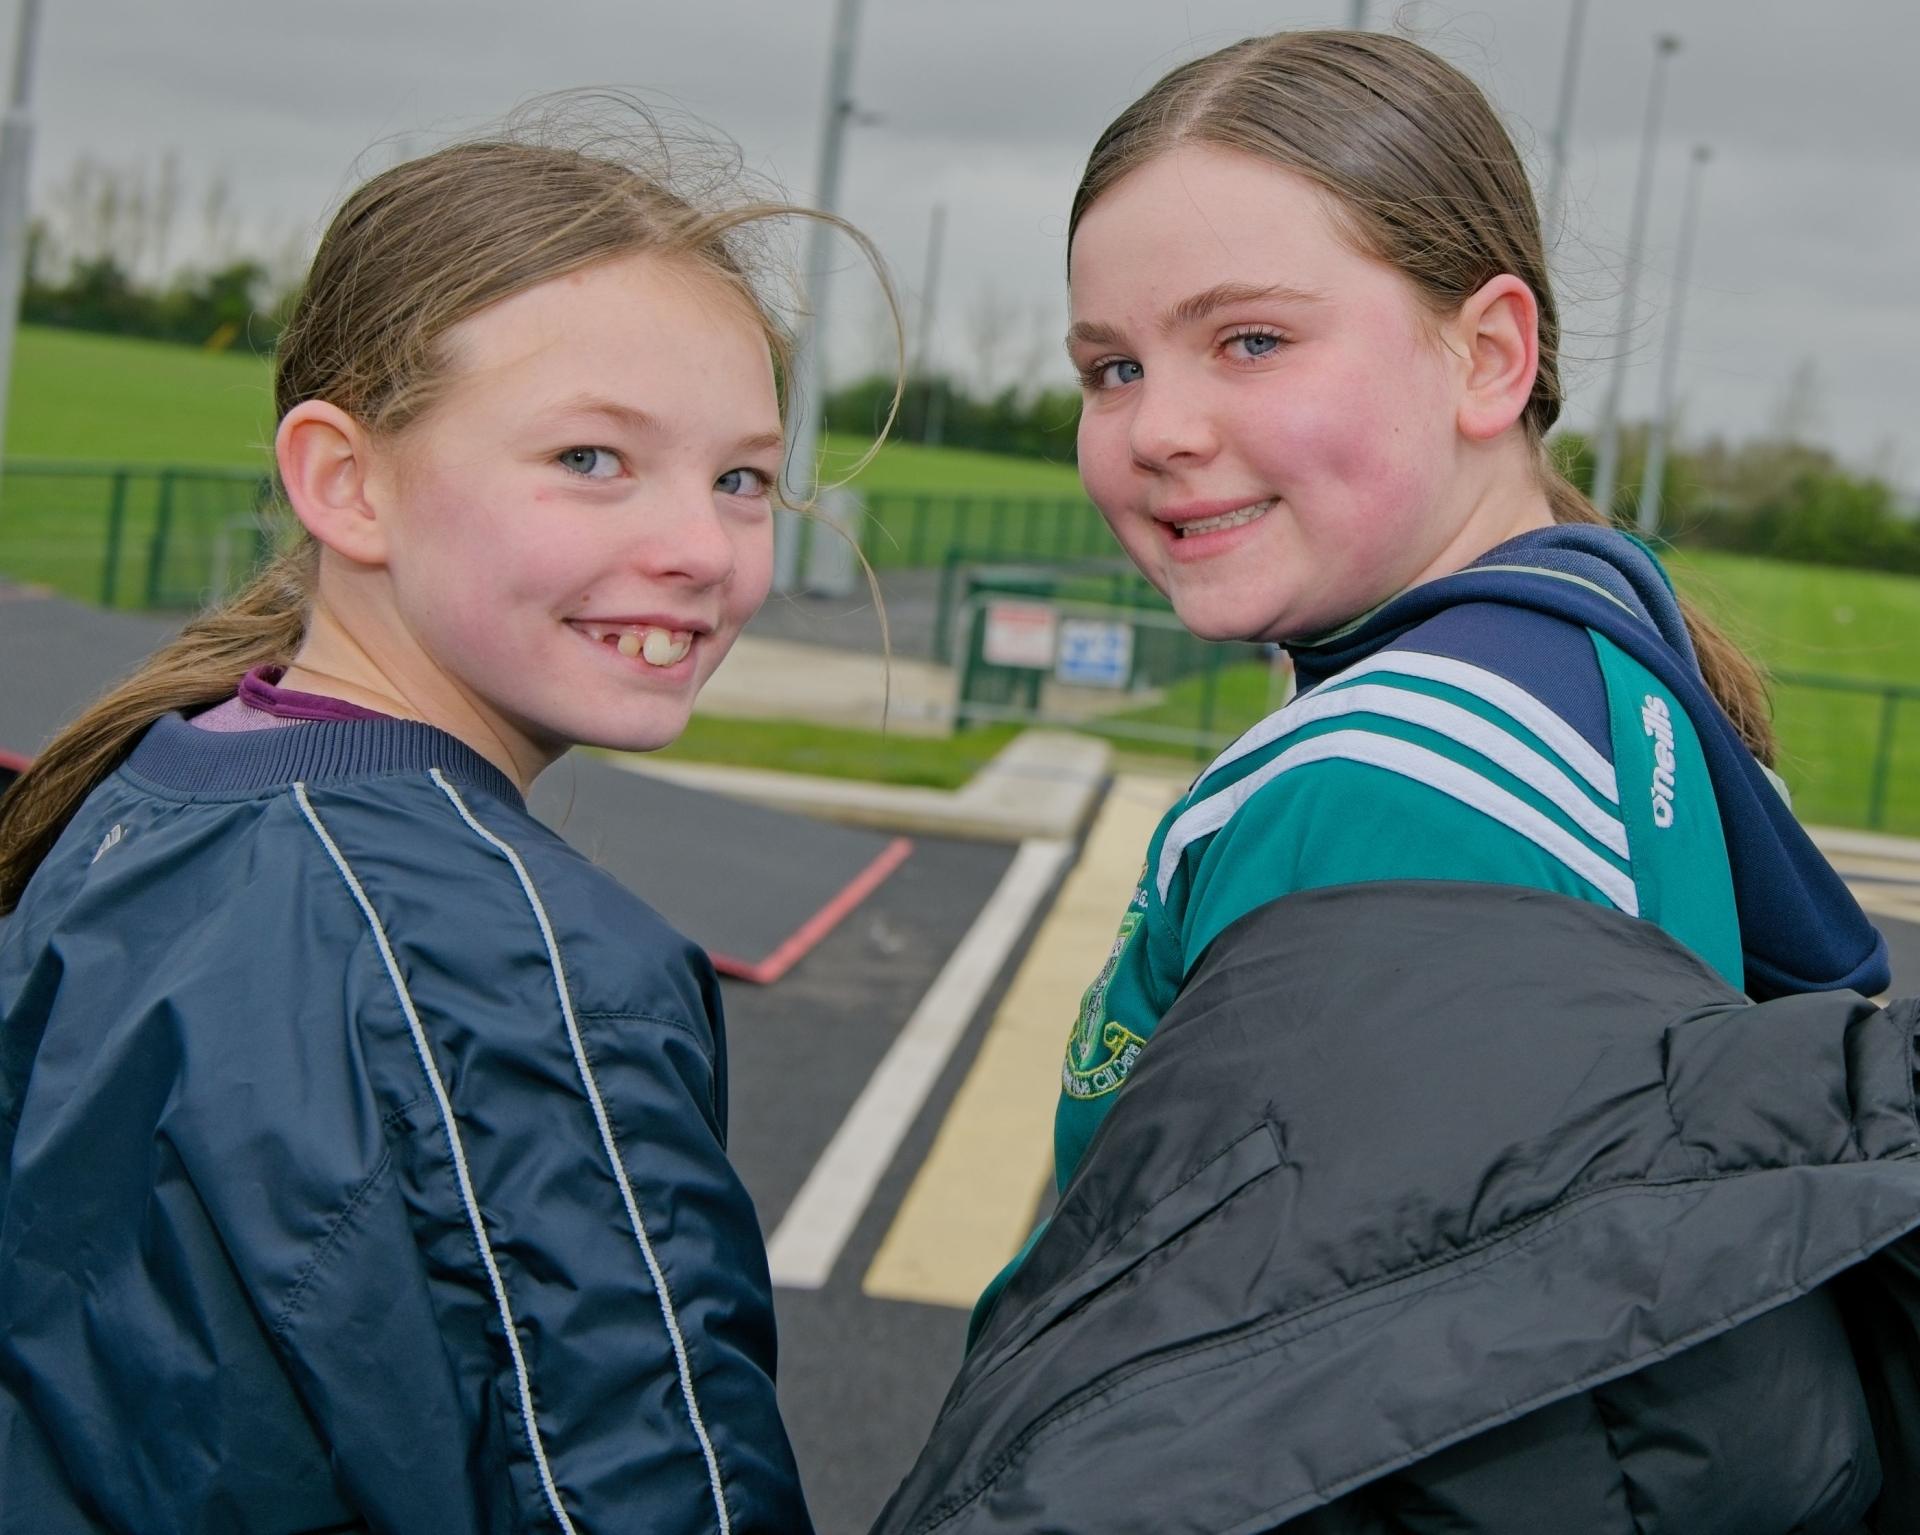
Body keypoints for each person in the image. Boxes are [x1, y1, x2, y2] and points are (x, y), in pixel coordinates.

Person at [873, 31, 1920, 1535]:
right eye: (1113, 367)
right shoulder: (1615, 658)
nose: (1158, 428)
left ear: (1488, 355)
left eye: (1251, 341)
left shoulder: (1383, 778)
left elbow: (1287, 1410)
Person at [0, 121, 885, 1532]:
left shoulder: (139, 788)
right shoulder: (529, 977)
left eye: (742, 479)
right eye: (592, 457)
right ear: (346, 481)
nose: (700, 549)